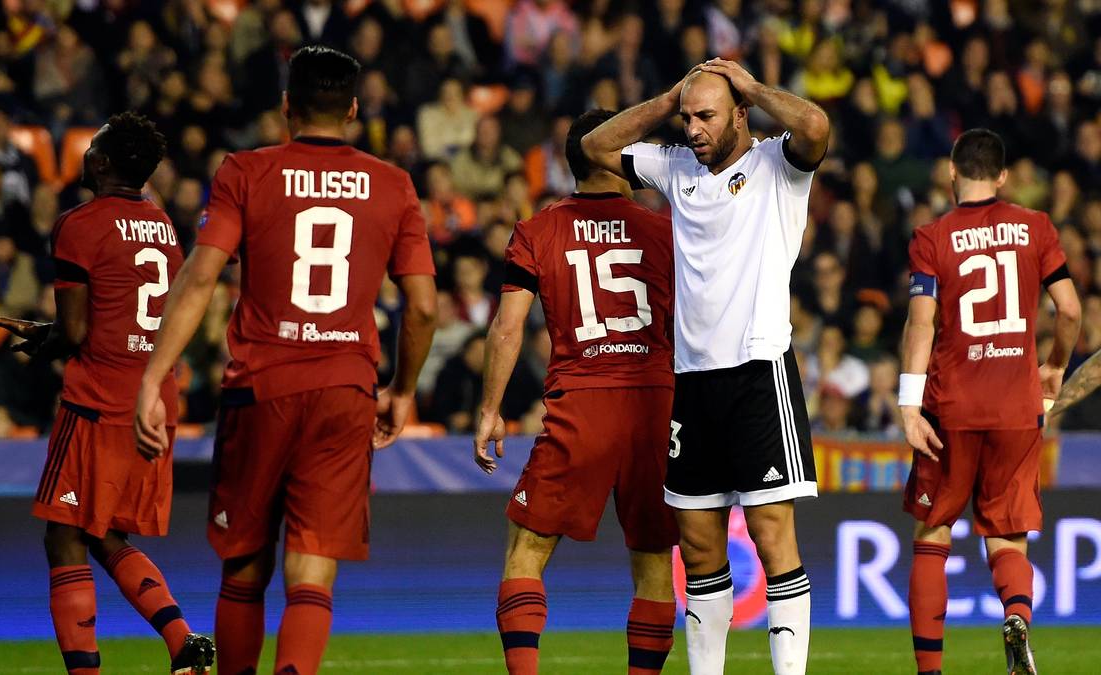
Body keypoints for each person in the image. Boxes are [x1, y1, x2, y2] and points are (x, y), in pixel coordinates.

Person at [134, 46, 437, 675]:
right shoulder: (393, 185)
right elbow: (425, 306)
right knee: (311, 575)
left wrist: (154, 377)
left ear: (285, 106)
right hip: (344, 392)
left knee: (244, 568)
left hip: (260, 389)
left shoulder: (245, 171)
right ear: (353, 110)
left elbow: (200, 279)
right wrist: (403, 390)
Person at [582, 58, 830, 674]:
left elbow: (816, 127)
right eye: (688, 118)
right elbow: (594, 147)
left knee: (771, 534)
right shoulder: (675, 168)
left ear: (740, 114)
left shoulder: (776, 165)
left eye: (707, 116)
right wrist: (668, 100)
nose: (693, 128)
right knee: (696, 548)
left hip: (759, 372)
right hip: (692, 382)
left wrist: (753, 86)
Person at [0, 112, 214, 675]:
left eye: (93, 146)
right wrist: (55, 334)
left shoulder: (79, 224)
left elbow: (78, 331)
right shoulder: (162, 225)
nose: (86, 153)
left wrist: (46, 339)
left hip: (98, 400)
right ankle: (182, 641)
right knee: (105, 533)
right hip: (153, 399)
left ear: (103, 162)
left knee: (64, 537)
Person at [475, 109, 678, 675]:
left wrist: (490, 409)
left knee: (526, 552)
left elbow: (508, 327)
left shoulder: (537, 231)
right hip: (655, 404)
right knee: (654, 564)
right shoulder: (666, 231)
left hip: (580, 403)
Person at [899, 128, 1080, 675]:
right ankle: (1017, 616)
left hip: (950, 408)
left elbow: (921, 322)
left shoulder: (932, 237)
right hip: (1017, 410)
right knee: (1006, 536)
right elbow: (1070, 309)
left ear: (952, 172)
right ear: (1002, 176)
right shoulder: (1036, 227)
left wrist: (909, 404)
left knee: (933, 533)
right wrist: (1055, 366)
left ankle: (930, 670)